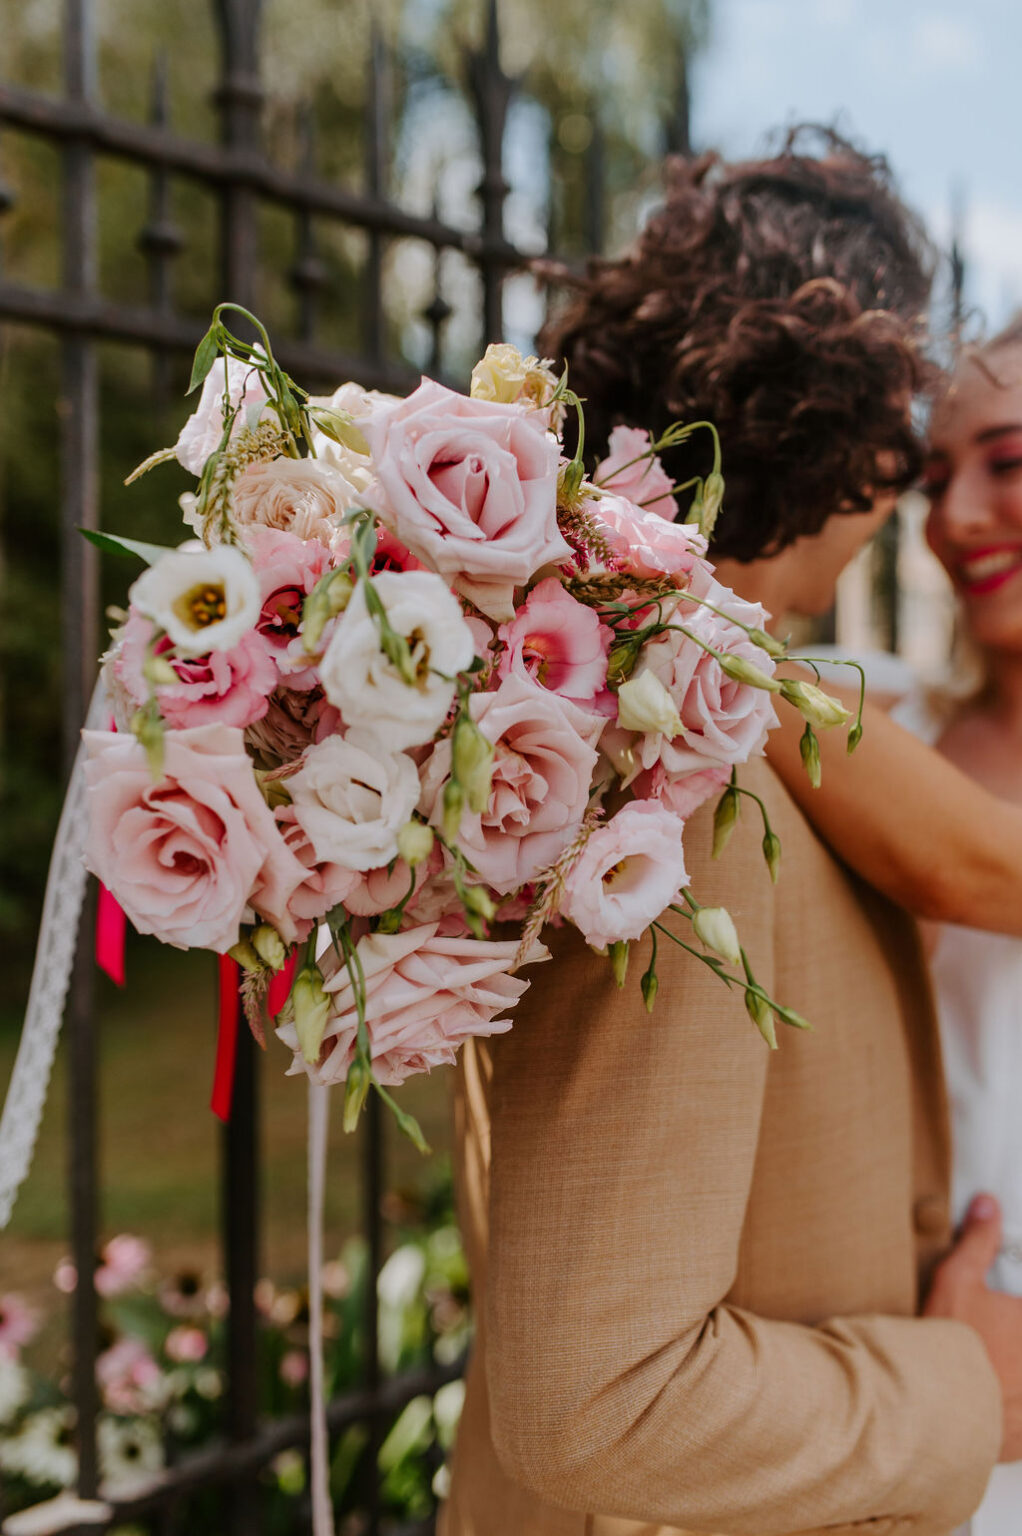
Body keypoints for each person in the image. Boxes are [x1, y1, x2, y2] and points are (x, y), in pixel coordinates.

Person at [440, 131, 1022, 1536]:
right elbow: (598, 1399)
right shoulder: (679, 785)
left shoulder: (712, 732)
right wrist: (970, 1393)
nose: (918, 508)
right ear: (845, 425)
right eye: (905, 445)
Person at [764, 315, 1022, 1536]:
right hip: (867, 1407)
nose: (954, 518)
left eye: (1007, 462)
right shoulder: (879, 720)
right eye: (931, 480)